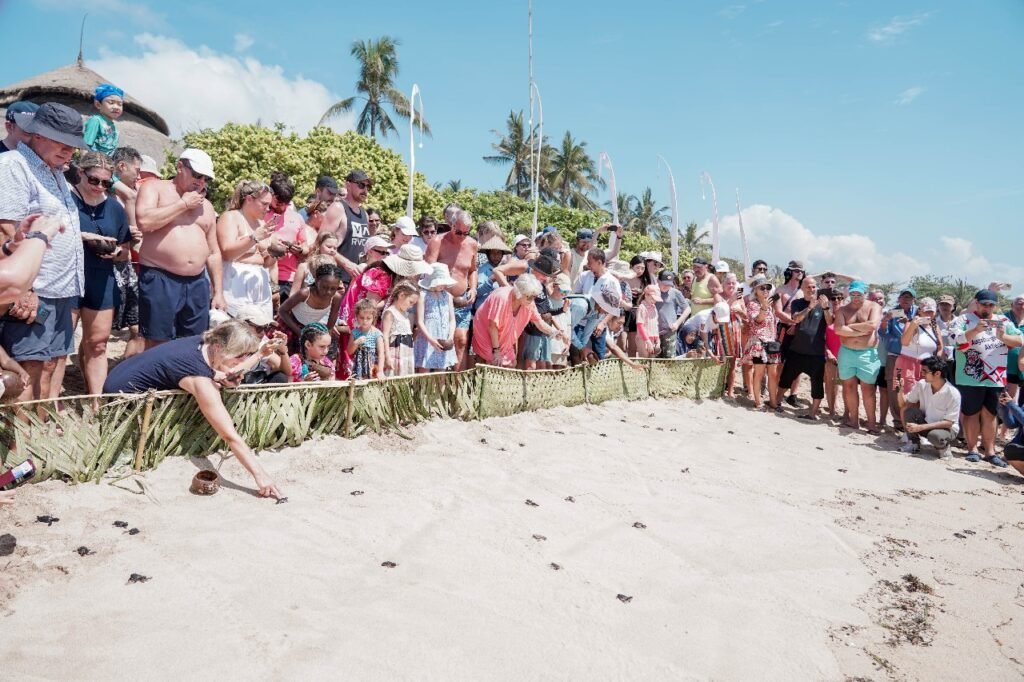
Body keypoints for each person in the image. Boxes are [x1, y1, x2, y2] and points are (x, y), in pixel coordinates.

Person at [103, 319, 282, 498]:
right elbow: (228, 434)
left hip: (119, 374)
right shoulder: (197, 375)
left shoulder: (204, 342)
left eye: (246, 355)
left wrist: (258, 355)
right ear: (220, 348)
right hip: (121, 401)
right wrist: (261, 475)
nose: (243, 360)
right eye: (239, 356)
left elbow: (226, 372)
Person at [0, 102, 87, 405]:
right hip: (35, 288)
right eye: (60, 141)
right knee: (25, 371)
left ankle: (36, 441)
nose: (68, 151)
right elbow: (5, 228)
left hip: (60, 289)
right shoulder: (14, 165)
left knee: (48, 366)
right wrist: (25, 289)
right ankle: (17, 449)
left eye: (72, 146)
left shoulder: (56, 172)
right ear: (37, 134)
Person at [135, 148, 225, 347]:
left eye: (206, 179)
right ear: (180, 167)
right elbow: (144, 221)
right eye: (197, 175)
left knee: (194, 343)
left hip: (197, 283)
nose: (201, 182)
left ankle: (182, 379)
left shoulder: (207, 207)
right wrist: (183, 205)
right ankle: (155, 378)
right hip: (161, 276)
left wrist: (218, 292)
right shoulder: (154, 188)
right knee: (157, 341)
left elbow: (214, 252)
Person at [71, 151, 132, 396]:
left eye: (106, 183)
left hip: (102, 278)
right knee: (60, 348)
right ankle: (50, 404)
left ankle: (97, 402)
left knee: (98, 344)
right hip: (69, 276)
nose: (99, 187)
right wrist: (84, 237)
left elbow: (126, 249)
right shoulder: (65, 198)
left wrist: (116, 253)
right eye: (93, 180)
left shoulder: (114, 208)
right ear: (80, 173)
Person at [951, 289, 1022, 465]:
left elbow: (1020, 340)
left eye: (991, 305)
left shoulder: (1003, 321)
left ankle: (990, 451)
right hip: (970, 376)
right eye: (984, 304)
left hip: (996, 377)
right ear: (976, 302)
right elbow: (955, 339)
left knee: (991, 414)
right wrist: (975, 330)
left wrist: (1003, 336)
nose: (987, 307)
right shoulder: (965, 319)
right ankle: (972, 449)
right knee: (971, 413)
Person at [472, 274, 567, 367]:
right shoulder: (502, 298)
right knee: (493, 361)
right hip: (485, 329)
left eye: (534, 296)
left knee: (510, 363)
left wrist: (554, 332)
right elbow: (492, 326)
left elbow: (539, 323)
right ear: (519, 292)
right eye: (529, 296)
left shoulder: (529, 303)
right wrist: (496, 351)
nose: (532, 299)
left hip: (504, 336)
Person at [425, 209, 478, 370]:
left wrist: (473, 288)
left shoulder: (472, 244)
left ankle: (455, 384)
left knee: (461, 340)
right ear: (451, 225)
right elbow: (428, 269)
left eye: (465, 233)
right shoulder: (437, 242)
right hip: (439, 299)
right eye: (458, 231)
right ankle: (437, 383)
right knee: (439, 342)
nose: (461, 236)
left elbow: (473, 269)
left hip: (462, 299)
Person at [216, 179, 276, 319]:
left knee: (259, 331)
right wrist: (254, 238)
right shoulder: (230, 217)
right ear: (249, 199)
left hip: (260, 285)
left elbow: (267, 262)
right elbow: (227, 252)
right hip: (235, 284)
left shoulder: (262, 223)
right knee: (236, 330)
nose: (268, 209)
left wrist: (274, 254)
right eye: (264, 204)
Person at [778, 277, 833, 419]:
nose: (811, 290)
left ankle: (812, 413)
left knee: (817, 385)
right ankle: (776, 403)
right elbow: (796, 319)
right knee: (786, 379)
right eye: (808, 287)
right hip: (797, 350)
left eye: (814, 287)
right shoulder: (797, 303)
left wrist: (825, 307)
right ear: (802, 288)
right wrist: (809, 307)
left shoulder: (824, 305)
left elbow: (830, 322)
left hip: (816, 353)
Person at [833, 280, 883, 433]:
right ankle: (853, 421)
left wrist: (850, 327)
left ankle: (872, 424)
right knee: (848, 387)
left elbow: (872, 325)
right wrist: (861, 331)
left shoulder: (874, 306)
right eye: (853, 294)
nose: (855, 297)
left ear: (865, 294)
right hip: (847, 351)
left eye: (858, 294)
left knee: (868, 389)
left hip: (867, 352)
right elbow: (838, 329)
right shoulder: (842, 310)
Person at [894, 355, 960, 459]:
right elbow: (903, 404)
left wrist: (920, 427)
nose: (922, 374)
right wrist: (900, 390)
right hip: (926, 423)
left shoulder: (952, 393)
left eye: (925, 371)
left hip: (946, 429)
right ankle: (913, 444)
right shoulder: (922, 384)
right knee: (909, 411)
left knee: (935, 436)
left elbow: (949, 423)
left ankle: (944, 447)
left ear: (937, 373)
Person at [265, 172, 313, 302]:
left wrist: (300, 249)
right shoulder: (260, 213)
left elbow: (305, 246)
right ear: (271, 195)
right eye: (279, 202)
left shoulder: (296, 217)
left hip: (290, 279)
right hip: (266, 274)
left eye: (286, 203)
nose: (282, 207)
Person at [571, 248, 622, 363]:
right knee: (576, 351)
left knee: (599, 354)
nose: (588, 265)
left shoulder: (612, 281)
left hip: (599, 321)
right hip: (580, 320)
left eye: (590, 262)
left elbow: (614, 306)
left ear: (599, 262)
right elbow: (576, 295)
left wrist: (602, 323)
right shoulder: (584, 276)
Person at [278, 264, 343, 352]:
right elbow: (282, 310)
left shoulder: (336, 298)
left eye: (333, 288)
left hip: (309, 331)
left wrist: (326, 335)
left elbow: (332, 321)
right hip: (289, 326)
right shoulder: (304, 294)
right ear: (316, 281)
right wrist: (299, 332)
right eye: (324, 287)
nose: (328, 292)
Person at [742, 274, 781, 410]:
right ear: (755, 291)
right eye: (762, 288)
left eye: (767, 288)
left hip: (771, 343)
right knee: (759, 373)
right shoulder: (753, 304)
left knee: (773, 374)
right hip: (759, 343)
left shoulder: (770, 305)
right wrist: (764, 308)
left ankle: (773, 402)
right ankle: (758, 402)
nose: (765, 290)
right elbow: (757, 320)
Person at [882, 287, 918, 430]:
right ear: (899, 299)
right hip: (895, 356)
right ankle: (898, 422)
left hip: (913, 357)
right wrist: (885, 321)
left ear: (913, 300)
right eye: (903, 297)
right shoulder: (892, 312)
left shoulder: (918, 312)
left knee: (914, 387)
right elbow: (883, 333)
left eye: (909, 298)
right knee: (895, 387)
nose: (905, 300)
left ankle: (913, 420)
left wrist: (909, 321)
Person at [332, 169, 374, 284]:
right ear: (348, 185)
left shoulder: (364, 214)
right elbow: (323, 244)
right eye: (361, 185)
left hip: (356, 282)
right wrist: (347, 264)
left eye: (368, 187)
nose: (365, 190)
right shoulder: (338, 208)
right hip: (336, 281)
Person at [521, 254, 563, 370]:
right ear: (536, 270)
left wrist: (559, 311)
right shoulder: (528, 283)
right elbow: (529, 306)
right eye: (544, 274)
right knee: (531, 359)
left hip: (543, 327)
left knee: (542, 360)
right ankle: (528, 385)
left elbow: (545, 306)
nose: (545, 278)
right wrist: (540, 317)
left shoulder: (541, 285)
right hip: (533, 327)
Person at [895, 296, 943, 397]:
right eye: (926, 311)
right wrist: (913, 325)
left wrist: (936, 362)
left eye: (931, 311)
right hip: (906, 365)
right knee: (904, 398)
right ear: (920, 311)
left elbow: (940, 347)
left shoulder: (935, 326)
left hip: (927, 367)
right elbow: (904, 342)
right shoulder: (911, 323)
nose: (928, 314)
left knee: (924, 399)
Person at [415, 263, 458, 372]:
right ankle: (423, 390)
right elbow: (419, 321)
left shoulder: (447, 296)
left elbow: (452, 319)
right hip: (428, 337)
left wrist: (451, 336)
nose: (443, 285)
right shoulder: (423, 295)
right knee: (425, 369)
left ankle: (440, 389)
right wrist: (430, 339)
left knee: (441, 371)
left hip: (444, 336)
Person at [381, 281, 419, 377]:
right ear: (401, 295)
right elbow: (385, 336)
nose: (411, 306)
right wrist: (387, 356)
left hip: (406, 354)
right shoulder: (390, 312)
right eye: (410, 302)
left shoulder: (405, 314)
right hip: (394, 354)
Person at [655, 270, 690, 359]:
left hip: (669, 330)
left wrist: (677, 323)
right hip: (654, 330)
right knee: (655, 357)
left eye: (669, 284)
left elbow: (687, 309)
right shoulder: (652, 291)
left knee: (669, 358)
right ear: (658, 281)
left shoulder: (675, 292)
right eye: (664, 284)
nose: (666, 287)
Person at [348, 298, 385, 379]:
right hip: (358, 369)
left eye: (368, 318)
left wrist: (380, 371)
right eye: (361, 317)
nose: (365, 321)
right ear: (357, 316)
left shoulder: (377, 333)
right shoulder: (355, 332)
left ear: (373, 318)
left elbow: (381, 354)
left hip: (372, 368)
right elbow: (349, 351)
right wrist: (356, 343)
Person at [83, 84, 123, 156]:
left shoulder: (114, 128)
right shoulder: (96, 121)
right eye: (111, 103)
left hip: (106, 164)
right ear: (98, 104)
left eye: (120, 104)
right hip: (93, 163)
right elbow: (85, 146)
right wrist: (84, 164)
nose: (116, 107)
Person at [474, 235, 512, 312]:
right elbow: (478, 292)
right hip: (484, 309)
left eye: (498, 253)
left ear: (502, 255)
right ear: (488, 254)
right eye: (493, 253)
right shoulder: (483, 269)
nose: (496, 256)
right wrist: (491, 280)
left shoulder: (503, 268)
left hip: (497, 309)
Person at [635, 284, 661, 358]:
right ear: (646, 295)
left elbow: (656, 324)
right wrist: (647, 341)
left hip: (653, 338)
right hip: (643, 339)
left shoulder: (654, 307)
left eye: (656, 299)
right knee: (644, 360)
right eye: (653, 298)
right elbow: (640, 325)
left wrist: (657, 338)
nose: (654, 301)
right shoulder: (642, 307)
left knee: (652, 361)